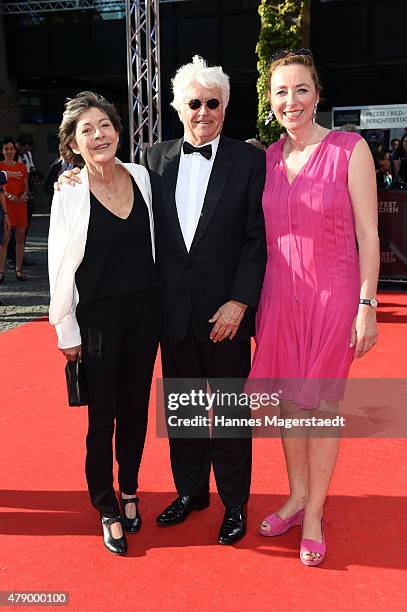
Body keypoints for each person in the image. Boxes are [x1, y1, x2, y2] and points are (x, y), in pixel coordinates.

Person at [248, 49, 379, 566]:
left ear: (318, 94)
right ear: (271, 101)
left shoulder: (350, 149)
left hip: (334, 296)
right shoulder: (264, 160)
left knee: (321, 408)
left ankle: (317, 512)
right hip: (278, 298)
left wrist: (366, 303)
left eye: (301, 89)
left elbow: (369, 234)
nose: (291, 100)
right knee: (287, 405)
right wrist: (83, 175)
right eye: (281, 92)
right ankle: (297, 496)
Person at [142, 55, 266, 545]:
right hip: (173, 311)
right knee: (186, 409)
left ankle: (234, 503)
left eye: (213, 103)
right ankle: (191, 491)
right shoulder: (152, 159)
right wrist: (72, 181)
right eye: (194, 102)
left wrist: (240, 301)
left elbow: (258, 239)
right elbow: (115, 195)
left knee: (231, 414)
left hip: (226, 315)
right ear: (178, 107)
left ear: (224, 106)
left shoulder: (249, 160)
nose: (204, 111)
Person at [48, 91, 161, 555]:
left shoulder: (141, 177)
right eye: (87, 130)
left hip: (146, 316)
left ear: (118, 130)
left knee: (136, 411)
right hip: (96, 321)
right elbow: (59, 266)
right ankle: (106, 505)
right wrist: (66, 331)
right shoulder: (70, 191)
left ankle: (130, 487)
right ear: (73, 144)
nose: (99, 135)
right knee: (103, 418)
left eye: (105, 126)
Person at [0, 138, 29, 282]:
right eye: (6, 149)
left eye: (11, 148)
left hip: (20, 205)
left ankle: (19, 269)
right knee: (4, 239)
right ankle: (1, 271)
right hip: (5, 206)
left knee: (20, 238)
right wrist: (8, 195)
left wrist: (24, 194)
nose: (9, 151)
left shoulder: (21, 166)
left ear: (15, 150)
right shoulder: (0, 166)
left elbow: (26, 186)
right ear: (2, 151)